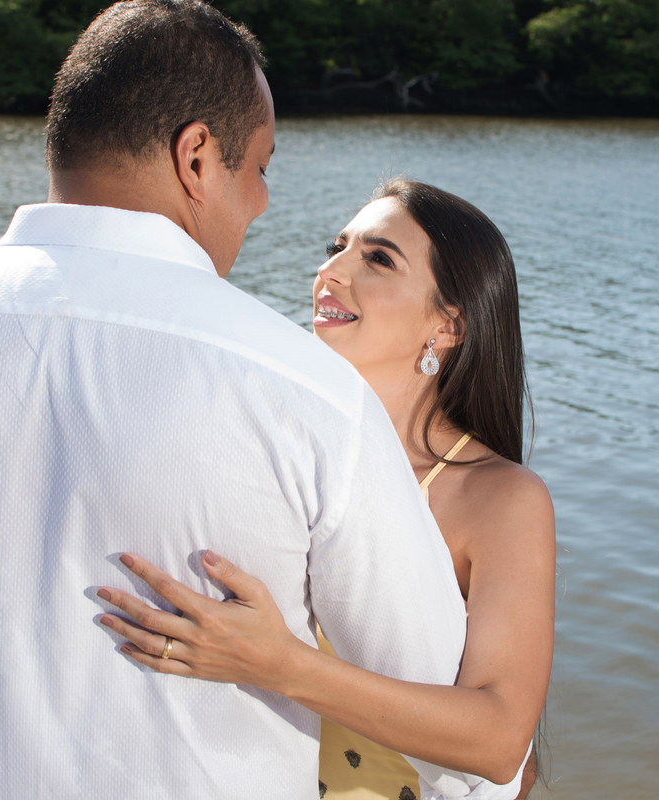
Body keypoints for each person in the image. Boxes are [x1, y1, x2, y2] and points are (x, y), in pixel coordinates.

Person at [0, 3, 466, 798]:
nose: (260, 205)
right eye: (258, 169)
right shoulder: (309, 394)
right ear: (196, 157)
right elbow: (448, 709)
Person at [96, 180, 556, 800]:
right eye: (338, 247)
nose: (330, 270)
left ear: (447, 327)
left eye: (377, 258)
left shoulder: (500, 498)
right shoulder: (276, 450)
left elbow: (500, 744)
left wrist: (276, 663)